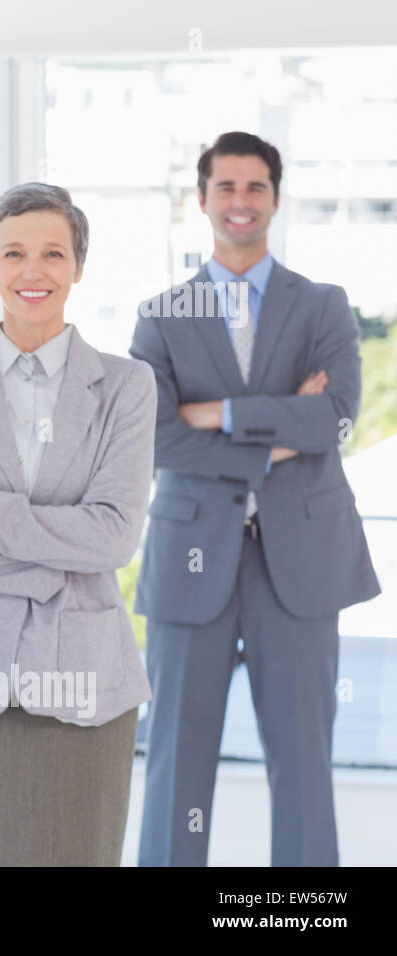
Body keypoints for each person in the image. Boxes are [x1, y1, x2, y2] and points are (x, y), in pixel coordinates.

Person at [131, 131, 380, 867]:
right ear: (202, 199)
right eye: (226, 187)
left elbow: (334, 419)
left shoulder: (325, 306)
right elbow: (154, 440)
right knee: (177, 764)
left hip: (300, 562)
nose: (241, 201)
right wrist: (276, 431)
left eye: (255, 187)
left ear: (275, 197)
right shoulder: (161, 314)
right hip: (189, 560)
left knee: (304, 764)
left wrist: (215, 413)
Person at [0, 183, 156, 866]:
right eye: (14, 253)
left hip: (85, 684)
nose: (33, 272)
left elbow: (113, 536)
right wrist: (57, 547)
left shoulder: (125, 386)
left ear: (78, 266)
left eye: (53, 253)